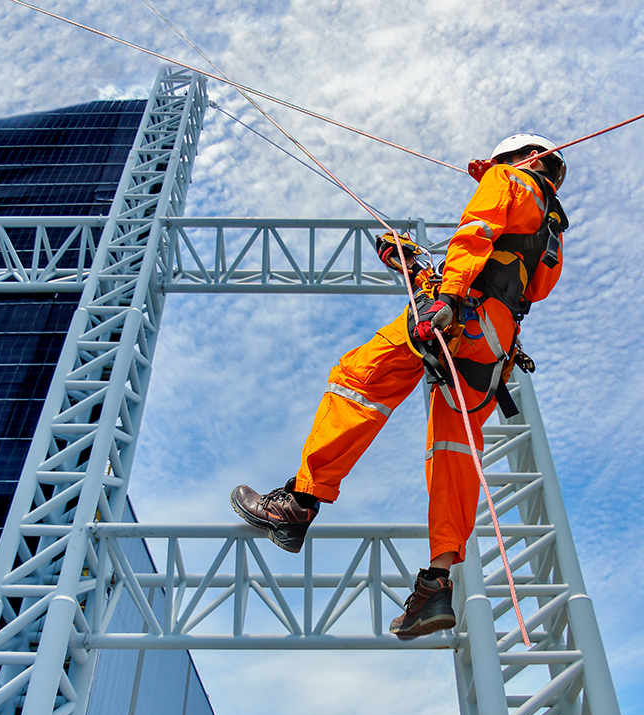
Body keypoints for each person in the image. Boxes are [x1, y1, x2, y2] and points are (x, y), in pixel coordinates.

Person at [231, 134, 568, 637]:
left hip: (463, 315)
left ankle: (299, 503)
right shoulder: (551, 228)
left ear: (516, 158)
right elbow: (517, 280)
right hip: (494, 341)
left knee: (360, 381)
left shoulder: (509, 179)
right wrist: (418, 269)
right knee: (455, 450)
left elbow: (476, 232)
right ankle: (436, 584)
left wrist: (447, 295)